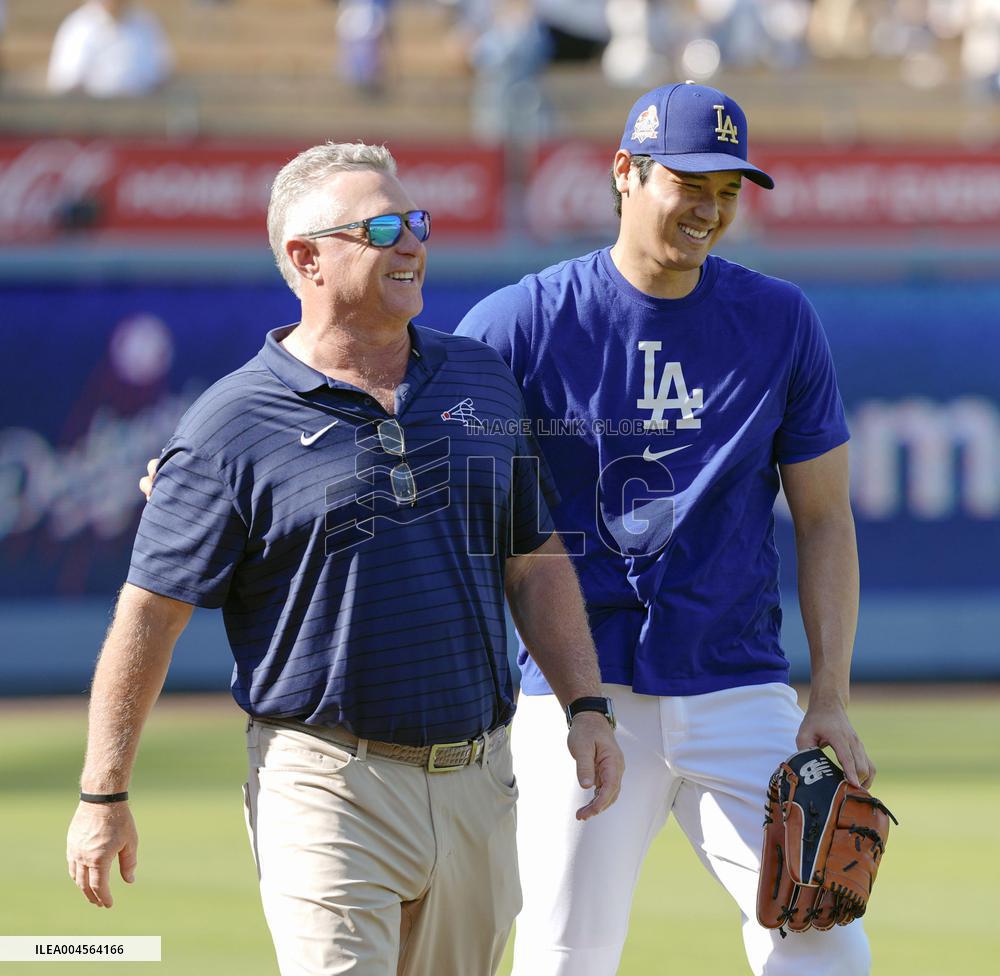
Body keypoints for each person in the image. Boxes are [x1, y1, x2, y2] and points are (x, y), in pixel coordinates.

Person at [65, 141, 624, 976]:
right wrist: (102, 793)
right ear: (306, 258)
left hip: (478, 778)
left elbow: (532, 558)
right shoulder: (230, 423)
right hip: (325, 783)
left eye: (418, 222)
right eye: (384, 227)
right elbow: (149, 615)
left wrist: (586, 703)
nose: (413, 243)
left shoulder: (479, 376)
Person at [456, 81, 876, 976]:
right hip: (580, 696)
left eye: (729, 191)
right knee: (566, 957)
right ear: (624, 174)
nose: (711, 210)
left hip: (738, 688)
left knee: (828, 947)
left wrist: (830, 693)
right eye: (690, 184)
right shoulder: (522, 321)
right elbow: (430, 475)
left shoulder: (779, 320)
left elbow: (825, 517)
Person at [47, 0, 172, 97]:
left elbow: (161, 78)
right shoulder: (78, 27)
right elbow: (66, 84)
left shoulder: (147, 25)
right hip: (90, 121)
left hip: (141, 119)